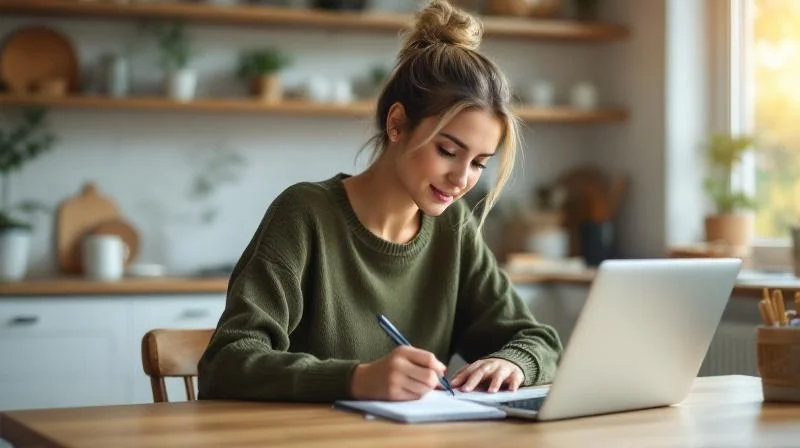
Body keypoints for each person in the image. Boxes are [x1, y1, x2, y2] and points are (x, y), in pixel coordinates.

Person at [198, 0, 562, 403]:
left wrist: (514, 362)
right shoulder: (304, 214)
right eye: (446, 150)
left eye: (478, 163)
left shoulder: (452, 227)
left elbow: (536, 339)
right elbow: (226, 364)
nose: (462, 180)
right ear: (396, 124)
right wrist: (355, 379)